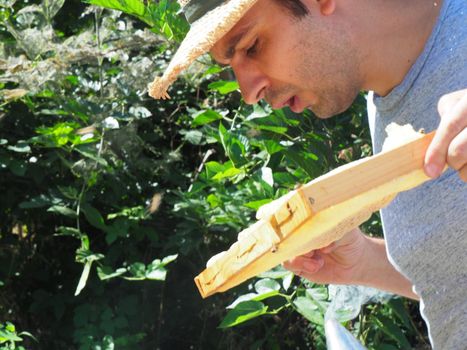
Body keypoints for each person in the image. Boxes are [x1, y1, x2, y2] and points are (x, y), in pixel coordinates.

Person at [148, 0, 467, 348]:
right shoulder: (385, 112)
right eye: (231, 67)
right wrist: (364, 262)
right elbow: (453, 290)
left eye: (252, 45)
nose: (248, 93)